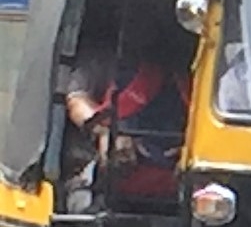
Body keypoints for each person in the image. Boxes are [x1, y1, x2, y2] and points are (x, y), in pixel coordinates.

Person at [64, 20, 190, 207]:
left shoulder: (187, 69)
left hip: (176, 180)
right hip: (105, 176)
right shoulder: (103, 60)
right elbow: (77, 99)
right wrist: (103, 131)